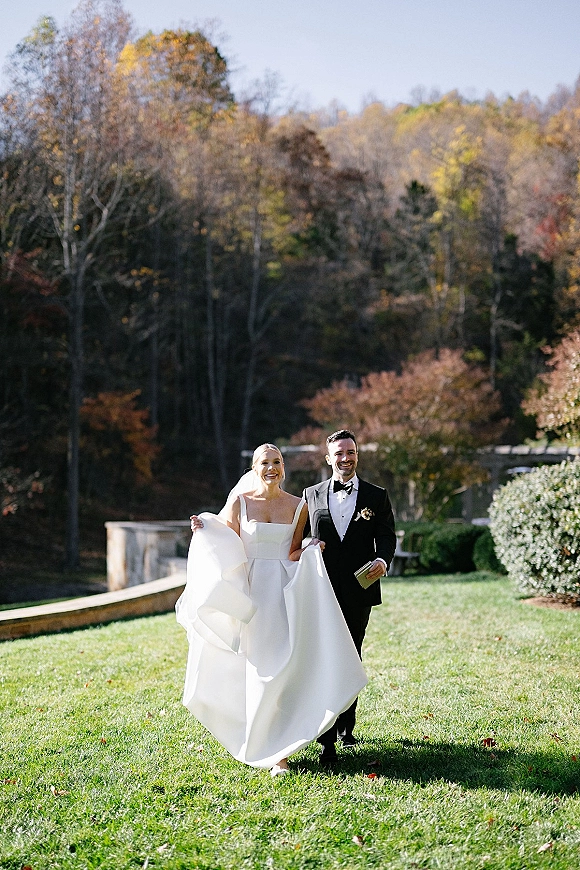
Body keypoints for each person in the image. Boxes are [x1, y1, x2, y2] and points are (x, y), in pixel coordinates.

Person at [176, 443, 367, 776]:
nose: (272, 467)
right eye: (265, 462)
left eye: (277, 461)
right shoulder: (239, 502)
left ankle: (280, 751)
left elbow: (292, 552)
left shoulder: (299, 506)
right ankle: (260, 740)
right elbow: (228, 542)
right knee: (253, 668)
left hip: (281, 592)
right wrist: (204, 531)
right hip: (251, 592)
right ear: (254, 467)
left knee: (278, 667)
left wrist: (309, 547)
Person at [303, 429, 397, 764]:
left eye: (351, 452)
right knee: (324, 655)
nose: (346, 458)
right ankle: (325, 734)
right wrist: (306, 545)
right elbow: (300, 537)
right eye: (339, 453)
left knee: (351, 654)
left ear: (358, 455)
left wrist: (383, 560)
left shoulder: (376, 495)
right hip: (321, 590)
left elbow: (386, 536)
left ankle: (347, 726)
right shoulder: (310, 494)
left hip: (360, 588)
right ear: (328, 458)